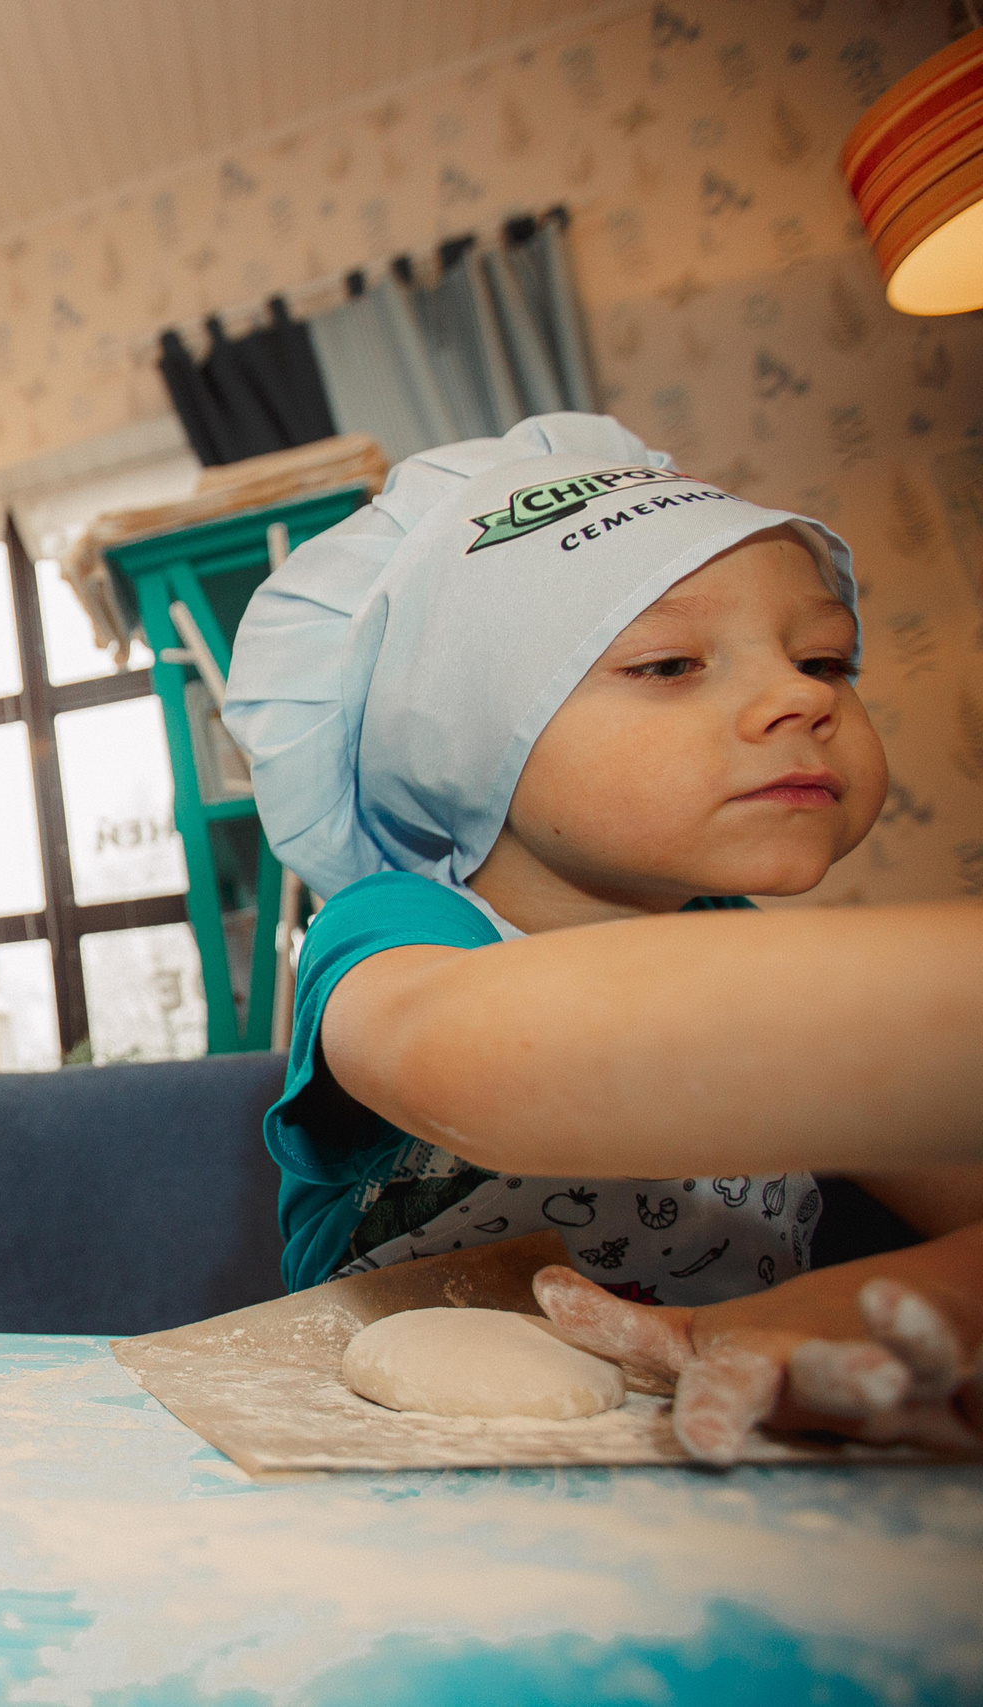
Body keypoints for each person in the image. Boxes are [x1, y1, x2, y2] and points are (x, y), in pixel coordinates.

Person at [221, 413, 983, 1456]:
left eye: (826, 657)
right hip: (402, 1479)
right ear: (458, 736)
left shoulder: (748, 955)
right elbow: (476, 1066)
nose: (800, 696)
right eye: (670, 663)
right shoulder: (399, 932)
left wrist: (794, 1326)